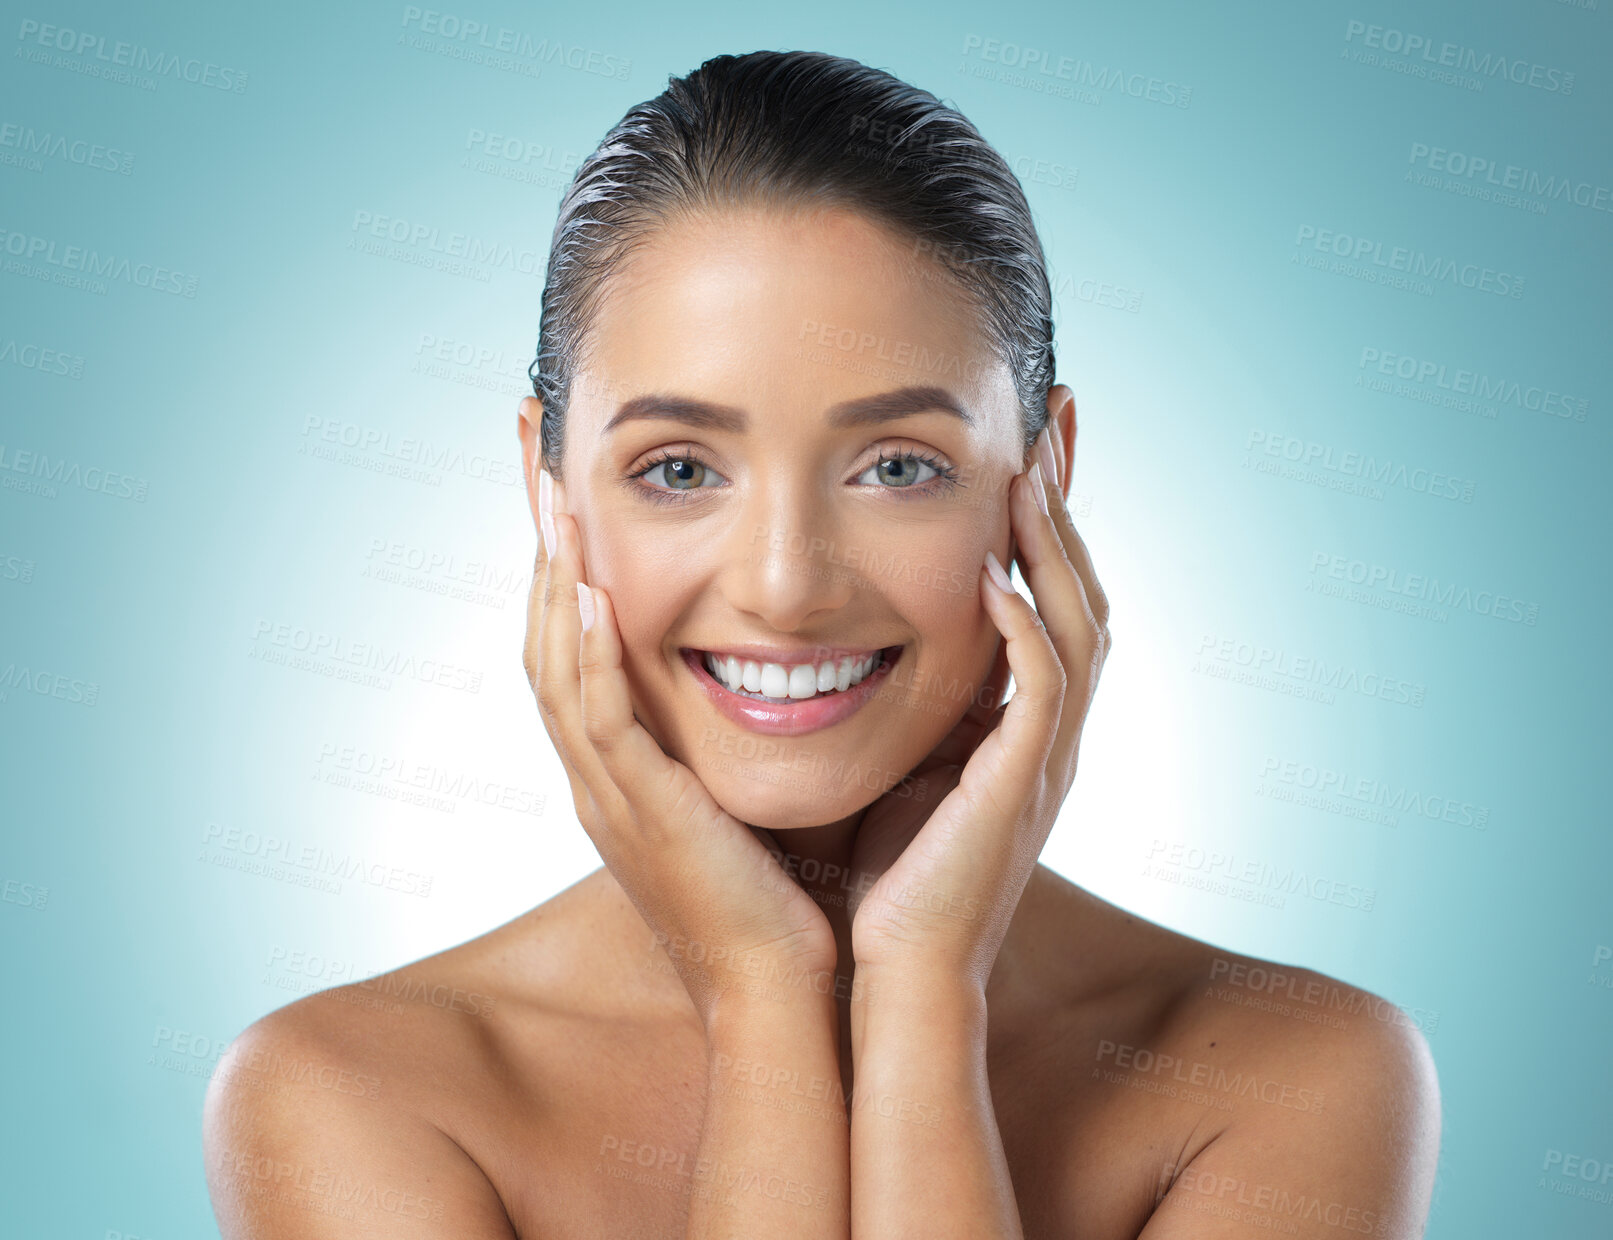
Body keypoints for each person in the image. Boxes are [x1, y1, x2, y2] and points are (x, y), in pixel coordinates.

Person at [203, 50, 1440, 1239]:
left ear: (1043, 475)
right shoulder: (348, 1095)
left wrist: (921, 994)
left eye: (896, 466)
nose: (787, 588)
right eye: (678, 468)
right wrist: (758, 994)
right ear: (547, 488)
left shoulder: (1295, 1079)